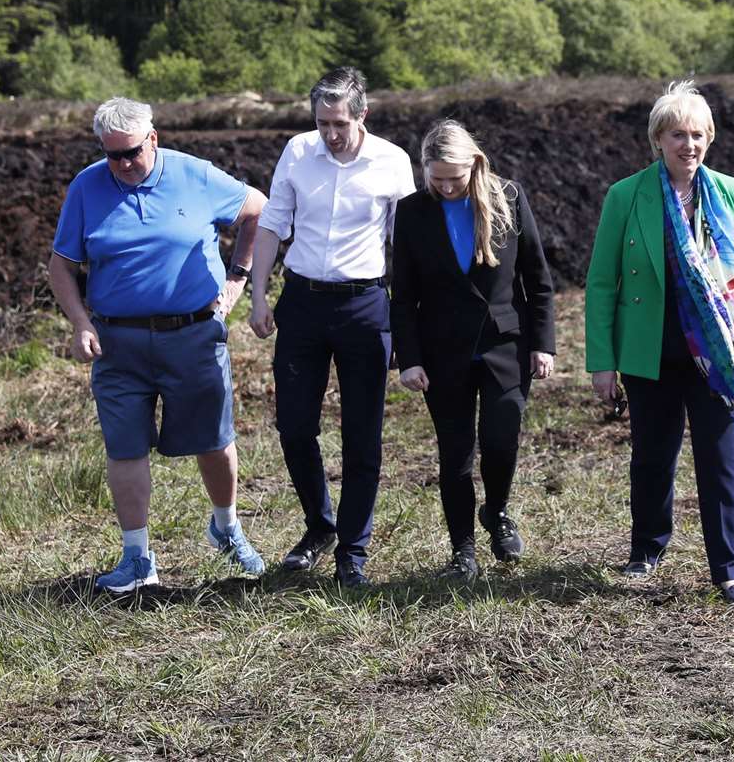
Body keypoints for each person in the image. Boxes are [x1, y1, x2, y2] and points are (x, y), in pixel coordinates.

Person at [49, 97, 269, 593]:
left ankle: (226, 526)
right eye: (112, 156)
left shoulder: (196, 175)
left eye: (131, 152)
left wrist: (237, 279)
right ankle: (137, 557)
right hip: (118, 342)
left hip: (193, 334)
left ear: (153, 138)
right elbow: (61, 265)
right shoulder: (87, 187)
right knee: (124, 446)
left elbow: (259, 212)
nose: (123, 165)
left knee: (213, 439)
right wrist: (80, 321)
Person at [584, 81, 734, 605]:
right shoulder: (625, 196)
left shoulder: (732, 194)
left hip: (721, 349)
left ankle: (729, 569)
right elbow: (603, 282)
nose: (687, 145)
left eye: (696, 135)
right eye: (677, 135)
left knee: (721, 458)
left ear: (708, 139)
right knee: (652, 455)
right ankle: (646, 550)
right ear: (658, 140)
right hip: (651, 350)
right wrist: (602, 361)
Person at [248, 68, 417, 588]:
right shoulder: (298, 153)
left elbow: (406, 244)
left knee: (362, 433)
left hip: (365, 304)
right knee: (294, 425)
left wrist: (409, 322)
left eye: (340, 123)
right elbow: (274, 222)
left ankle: (354, 550)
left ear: (362, 115)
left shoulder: (392, 162)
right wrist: (258, 296)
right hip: (301, 300)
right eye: (322, 123)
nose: (331, 133)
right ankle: (319, 526)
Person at [391, 120, 556, 581]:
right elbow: (402, 295)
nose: (445, 187)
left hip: (506, 343)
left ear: (474, 165)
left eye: (454, 179)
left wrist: (543, 344)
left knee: (502, 438)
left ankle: (497, 513)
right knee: (456, 453)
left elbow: (538, 280)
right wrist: (410, 357)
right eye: (436, 178)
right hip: (442, 350)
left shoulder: (509, 198)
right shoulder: (412, 212)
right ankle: (462, 550)